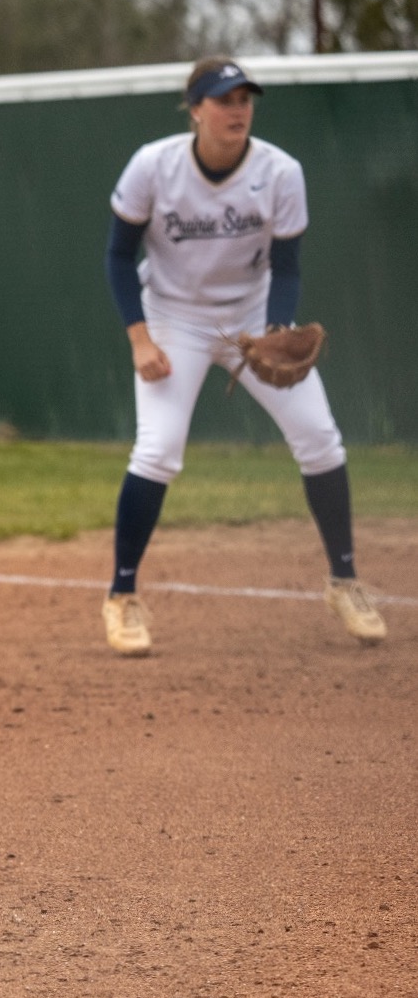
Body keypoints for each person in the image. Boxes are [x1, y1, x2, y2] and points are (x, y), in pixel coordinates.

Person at [100, 56, 386, 656]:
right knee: (158, 449)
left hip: (251, 315)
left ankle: (345, 581)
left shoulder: (280, 172)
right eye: (225, 100)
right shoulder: (155, 165)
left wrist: (277, 331)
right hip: (173, 315)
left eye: (245, 99)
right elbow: (118, 257)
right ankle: (122, 596)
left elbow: (287, 265)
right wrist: (140, 338)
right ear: (196, 109)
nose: (238, 110)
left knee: (320, 438)